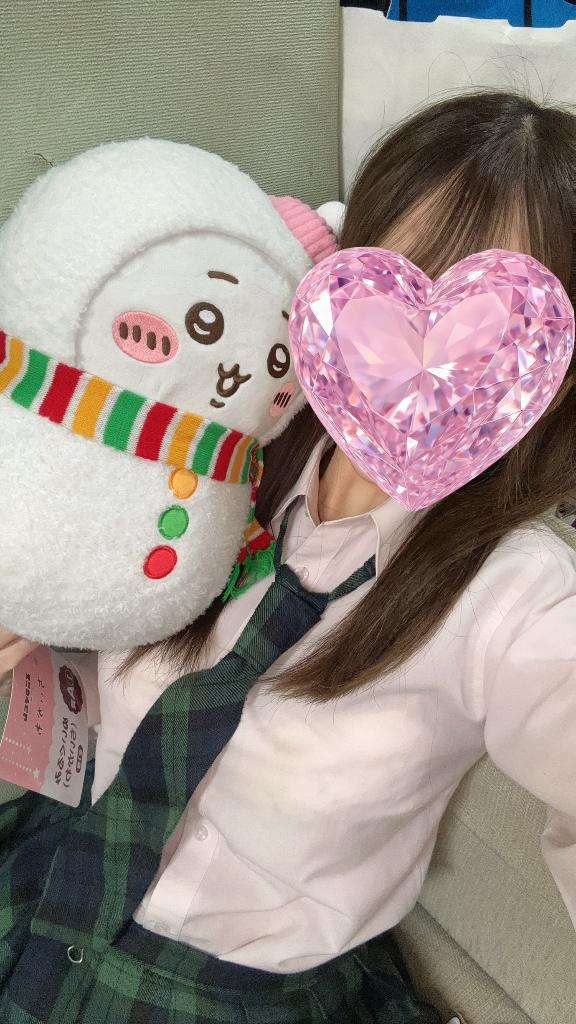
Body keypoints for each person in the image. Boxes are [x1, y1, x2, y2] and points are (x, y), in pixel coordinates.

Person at [1, 89, 576, 1023]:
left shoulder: (519, 600)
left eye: (482, 341)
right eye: (397, 301)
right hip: (42, 873)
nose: (421, 366)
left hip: (225, 994)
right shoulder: (235, 437)